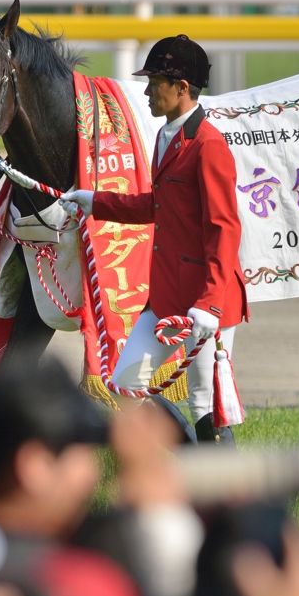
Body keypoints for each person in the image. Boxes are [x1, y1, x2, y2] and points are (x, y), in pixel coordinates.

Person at [62, 36, 248, 445]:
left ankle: (223, 492)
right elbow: (156, 206)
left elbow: (225, 229)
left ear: (182, 88)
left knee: (205, 402)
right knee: (124, 383)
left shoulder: (210, 146)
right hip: (165, 296)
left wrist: (211, 304)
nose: (147, 90)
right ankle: (187, 459)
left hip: (206, 301)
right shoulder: (166, 136)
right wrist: (96, 202)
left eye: (156, 82)